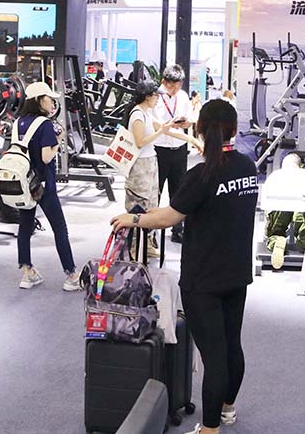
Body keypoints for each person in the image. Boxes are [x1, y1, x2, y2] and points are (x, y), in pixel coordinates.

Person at [110, 100, 257, 434]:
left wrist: (133, 219)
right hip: (236, 273)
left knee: (214, 356)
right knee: (231, 345)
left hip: (203, 280)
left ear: (200, 130)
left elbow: (169, 217)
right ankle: (227, 408)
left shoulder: (201, 174)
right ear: (234, 129)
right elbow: (203, 209)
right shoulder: (247, 167)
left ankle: (209, 429)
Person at [13, 81, 81, 292]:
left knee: (25, 227)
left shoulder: (18, 123)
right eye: (49, 98)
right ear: (38, 100)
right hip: (44, 185)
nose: (52, 102)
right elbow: (46, 157)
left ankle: (27, 273)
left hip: (24, 183)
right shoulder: (44, 125)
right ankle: (71, 275)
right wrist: (58, 140)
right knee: (60, 229)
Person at [125, 81, 200, 258]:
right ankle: (135, 247)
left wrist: (192, 140)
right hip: (140, 166)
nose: (158, 99)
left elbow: (167, 130)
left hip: (151, 162)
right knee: (138, 205)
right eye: (156, 95)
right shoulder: (137, 115)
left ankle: (147, 243)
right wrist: (160, 132)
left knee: (151, 204)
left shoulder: (146, 113)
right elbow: (140, 141)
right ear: (147, 96)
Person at [154, 64, 195, 244]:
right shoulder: (155, 97)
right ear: (164, 81)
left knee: (178, 191)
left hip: (179, 149)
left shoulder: (183, 96)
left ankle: (178, 230)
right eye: (171, 86)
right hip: (159, 149)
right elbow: (156, 125)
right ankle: (150, 233)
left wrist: (186, 123)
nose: (174, 90)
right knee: (155, 191)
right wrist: (169, 125)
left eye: (177, 86)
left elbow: (191, 119)